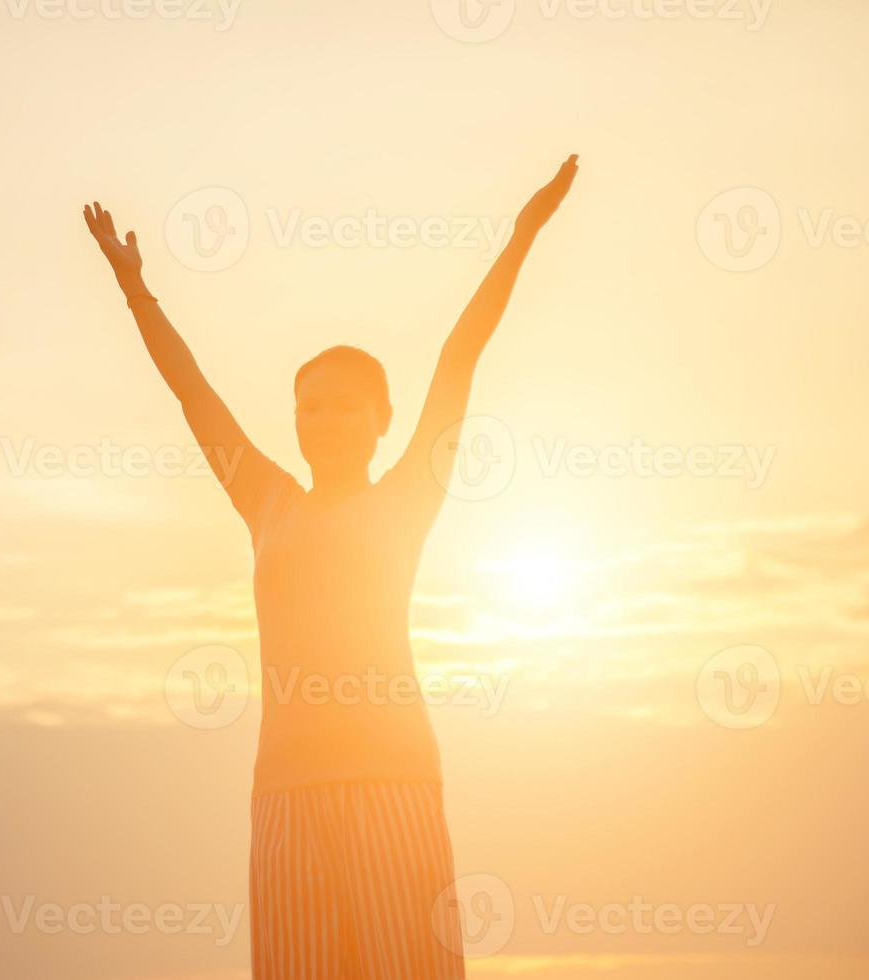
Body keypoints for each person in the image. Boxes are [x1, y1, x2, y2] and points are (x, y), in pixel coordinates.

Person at [82, 154, 579, 979]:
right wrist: (137, 289)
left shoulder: (405, 496)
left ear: (383, 419)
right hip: (283, 793)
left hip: (392, 783)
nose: (323, 419)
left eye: (345, 403)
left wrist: (523, 233)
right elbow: (193, 393)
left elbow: (460, 355)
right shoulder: (268, 501)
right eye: (308, 404)